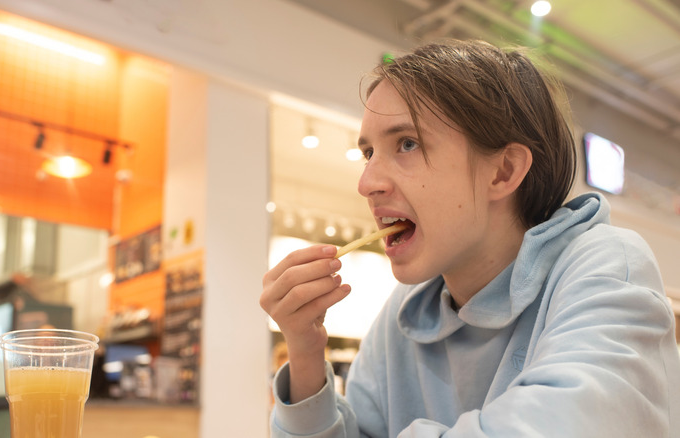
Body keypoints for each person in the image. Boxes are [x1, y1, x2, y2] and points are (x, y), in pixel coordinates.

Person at [260, 38, 680, 437]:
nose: (366, 183)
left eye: (407, 143)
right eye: (369, 152)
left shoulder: (606, 266)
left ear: (503, 171)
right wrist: (306, 353)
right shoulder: (404, 315)